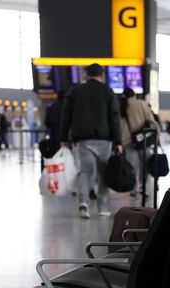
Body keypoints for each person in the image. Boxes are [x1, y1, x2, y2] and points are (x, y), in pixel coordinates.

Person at [59, 63, 122, 219]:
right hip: (104, 140)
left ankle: (83, 201)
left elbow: (66, 116)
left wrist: (63, 138)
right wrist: (118, 141)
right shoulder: (108, 91)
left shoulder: (75, 91)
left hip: (83, 139)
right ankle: (103, 208)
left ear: (86, 75)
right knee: (103, 174)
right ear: (101, 75)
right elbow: (114, 118)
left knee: (85, 172)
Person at [119, 87, 160, 198]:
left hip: (126, 141)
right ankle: (144, 187)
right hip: (143, 140)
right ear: (134, 95)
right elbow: (152, 122)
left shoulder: (120, 105)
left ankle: (133, 189)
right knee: (145, 165)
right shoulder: (142, 104)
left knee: (132, 167)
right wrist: (157, 136)